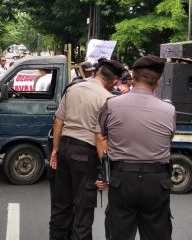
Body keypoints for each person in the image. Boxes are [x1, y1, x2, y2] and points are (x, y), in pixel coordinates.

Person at [95, 56, 175, 240]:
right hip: (157, 180)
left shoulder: (111, 104)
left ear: (132, 76)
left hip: (122, 179)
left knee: (119, 232)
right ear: (159, 80)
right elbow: (168, 138)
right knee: (157, 232)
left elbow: (103, 136)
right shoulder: (169, 110)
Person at [49, 58, 124, 240]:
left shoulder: (73, 88)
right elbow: (101, 137)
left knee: (61, 206)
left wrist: (55, 150)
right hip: (85, 153)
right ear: (114, 81)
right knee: (83, 209)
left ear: (96, 72)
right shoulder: (107, 99)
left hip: (65, 147)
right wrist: (105, 172)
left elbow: (58, 121)